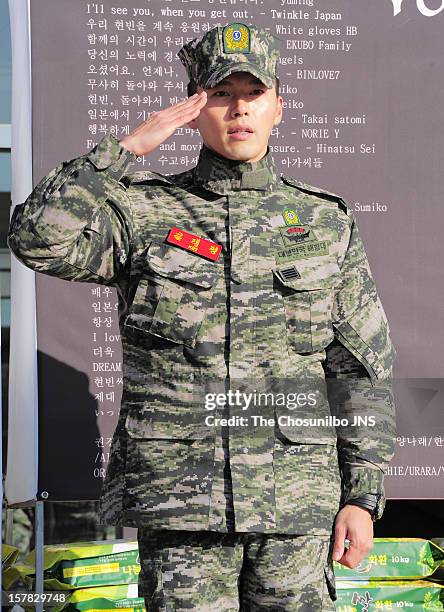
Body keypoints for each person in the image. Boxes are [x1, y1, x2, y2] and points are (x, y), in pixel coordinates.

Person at [8, 22, 396, 611]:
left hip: (293, 507)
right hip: (182, 504)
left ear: (278, 107)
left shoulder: (324, 222)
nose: (238, 110)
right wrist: (125, 150)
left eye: (253, 94)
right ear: (194, 107)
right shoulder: (141, 213)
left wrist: (362, 498)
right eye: (220, 94)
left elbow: (361, 368)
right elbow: (36, 240)